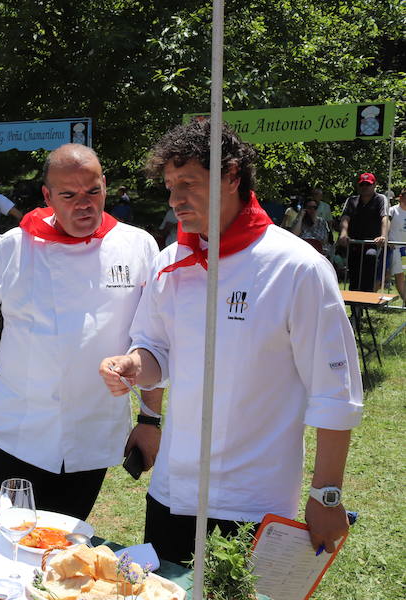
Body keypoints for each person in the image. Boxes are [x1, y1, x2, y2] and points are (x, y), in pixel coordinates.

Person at [100, 119, 363, 565]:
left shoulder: (296, 267)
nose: (175, 199)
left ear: (232, 174)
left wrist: (328, 495)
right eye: (169, 185)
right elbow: (155, 351)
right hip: (172, 492)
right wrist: (133, 364)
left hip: (254, 500)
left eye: (189, 183)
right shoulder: (171, 262)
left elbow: (335, 394)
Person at [0, 144, 161, 520]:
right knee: (3, 542)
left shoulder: (137, 246)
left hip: (92, 433)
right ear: (47, 196)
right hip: (16, 432)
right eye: (69, 195)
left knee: (63, 545)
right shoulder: (13, 247)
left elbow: (154, 338)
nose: (84, 204)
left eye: (93, 191)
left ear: (106, 187)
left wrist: (149, 419)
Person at [339, 172, 389, 291]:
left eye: (368, 184)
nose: (365, 187)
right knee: (354, 275)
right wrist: (343, 233)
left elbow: (385, 218)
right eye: (362, 185)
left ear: (374, 185)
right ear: (358, 186)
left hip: (372, 243)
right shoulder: (351, 200)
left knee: (370, 258)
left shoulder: (381, 199)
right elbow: (345, 218)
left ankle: (366, 296)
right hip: (354, 243)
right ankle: (355, 305)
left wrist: (383, 235)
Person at [387, 189, 406, 305]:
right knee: (399, 275)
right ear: (401, 196)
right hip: (395, 248)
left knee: (403, 275)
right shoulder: (392, 210)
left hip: (405, 248)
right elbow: (386, 224)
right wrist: (387, 239)